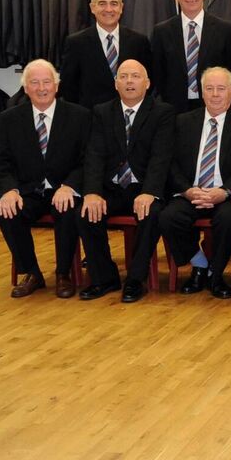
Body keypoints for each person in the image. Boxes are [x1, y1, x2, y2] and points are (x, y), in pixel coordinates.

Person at [76, 59, 175, 302]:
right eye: (123, 76)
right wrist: (91, 192)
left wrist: (150, 191)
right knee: (86, 211)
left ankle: (135, 280)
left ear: (147, 83)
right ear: (116, 84)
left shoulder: (163, 112)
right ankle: (104, 277)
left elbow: (161, 157)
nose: (129, 81)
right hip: (112, 187)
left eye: (135, 76)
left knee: (151, 213)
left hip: (144, 187)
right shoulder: (102, 112)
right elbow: (94, 155)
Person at [158, 67, 231, 299]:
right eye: (209, 89)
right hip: (192, 192)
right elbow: (170, 163)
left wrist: (224, 191)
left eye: (221, 89)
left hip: (227, 194)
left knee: (228, 220)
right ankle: (200, 263)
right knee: (167, 218)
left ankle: (215, 273)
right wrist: (187, 191)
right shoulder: (183, 121)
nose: (215, 94)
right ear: (202, 93)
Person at [0, 59, 92, 298]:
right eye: (34, 83)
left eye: (47, 82)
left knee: (67, 210)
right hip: (28, 191)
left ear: (57, 86)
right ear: (25, 88)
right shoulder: (9, 118)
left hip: (64, 189)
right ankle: (32, 273)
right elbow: (0, 162)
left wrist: (69, 186)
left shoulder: (79, 116)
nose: (41, 88)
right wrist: (8, 190)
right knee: (7, 212)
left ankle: (63, 274)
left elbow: (87, 160)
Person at [149, 0, 231, 113]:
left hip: (214, 107)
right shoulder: (162, 31)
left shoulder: (225, 30)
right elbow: (158, 73)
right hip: (174, 108)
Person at [59, 0, 153, 108]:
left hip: (131, 117)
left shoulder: (139, 41)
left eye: (114, 3)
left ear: (121, 8)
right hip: (91, 119)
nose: (109, 9)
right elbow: (68, 87)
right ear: (92, 7)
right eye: (102, 3)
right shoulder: (76, 43)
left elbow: (148, 82)